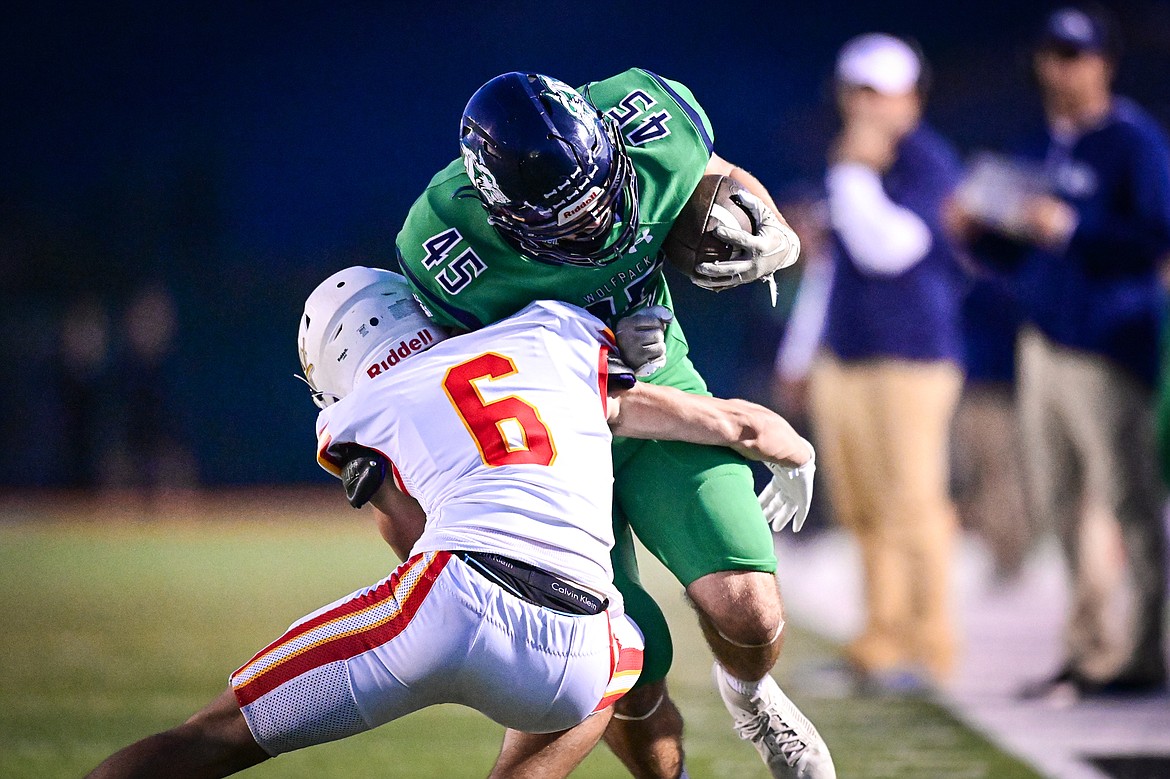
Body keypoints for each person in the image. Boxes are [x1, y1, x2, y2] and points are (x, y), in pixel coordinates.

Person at [86, 266, 820, 778]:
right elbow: (719, 421)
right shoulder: (549, 335)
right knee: (621, 651)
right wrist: (786, 446)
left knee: (212, 739)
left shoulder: (356, 408)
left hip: (450, 602)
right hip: (583, 647)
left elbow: (410, 534)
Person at [395, 70, 834, 779]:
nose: (601, 223)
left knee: (749, 606)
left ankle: (751, 697)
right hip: (552, 446)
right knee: (629, 663)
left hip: (662, 388)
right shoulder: (445, 244)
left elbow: (715, 174)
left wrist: (772, 230)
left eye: (603, 192)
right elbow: (453, 380)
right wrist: (596, 359)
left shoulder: (648, 120)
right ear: (503, 215)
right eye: (571, 221)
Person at [950, 5, 1170, 699]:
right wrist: (976, 233)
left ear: (1105, 61)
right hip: (1041, 342)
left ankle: (1143, 652)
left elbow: (1155, 237)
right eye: (1053, 53)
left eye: (1077, 54)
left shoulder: (1131, 140)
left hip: (1108, 342)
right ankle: (1088, 648)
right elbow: (1025, 255)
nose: (1062, 67)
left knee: (1128, 500)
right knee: (1061, 502)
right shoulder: (1045, 143)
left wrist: (1072, 227)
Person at [805, 33, 966, 692]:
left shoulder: (925, 159)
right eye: (859, 91)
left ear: (911, 97)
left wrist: (851, 175)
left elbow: (890, 249)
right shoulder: (856, 161)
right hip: (848, 352)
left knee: (913, 503)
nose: (868, 105)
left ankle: (928, 647)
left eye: (882, 91)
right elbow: (831, 266)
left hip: (911, 356)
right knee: (862, 506)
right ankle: (880, 640)